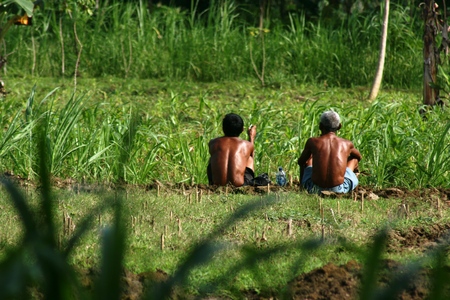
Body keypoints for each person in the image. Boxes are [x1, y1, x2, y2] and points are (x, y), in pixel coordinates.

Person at [298, 110, 362, 194]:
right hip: (339, 190)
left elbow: (301, 162)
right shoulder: (346, 144)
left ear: (320, 126)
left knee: (309, 158)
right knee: (354, 159)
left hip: (314, 188)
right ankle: (353, 181)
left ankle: (302, 187)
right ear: (339, 126)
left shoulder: (312, 141)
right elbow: (359, 157)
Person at [207, 113, 256, 187]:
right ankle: (246, 184)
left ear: (223, 128)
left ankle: (214, 182)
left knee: (213, 157)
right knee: (249, 158)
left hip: (217, 184)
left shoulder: (213, 143)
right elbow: (251, 156)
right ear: (242, 130)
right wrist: (251, 137)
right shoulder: (247, 145)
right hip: (239, 185)